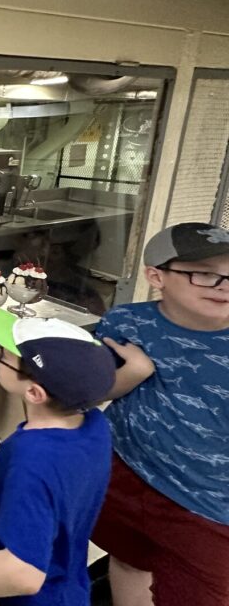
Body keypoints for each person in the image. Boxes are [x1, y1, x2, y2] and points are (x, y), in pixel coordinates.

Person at [91, 221, 229, 606]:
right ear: (156, 277)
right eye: (206, 274)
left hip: (206, 508)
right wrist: (134, 372)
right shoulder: (126, 323)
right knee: (129, 559)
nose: (225, 286)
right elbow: (90, 393)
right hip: (122, 472)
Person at [0, 306, 117, 605]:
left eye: (3, 357)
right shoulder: (94, 425)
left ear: (35, 393)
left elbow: (23, 572)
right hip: (69, 588)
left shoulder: (32, 460)